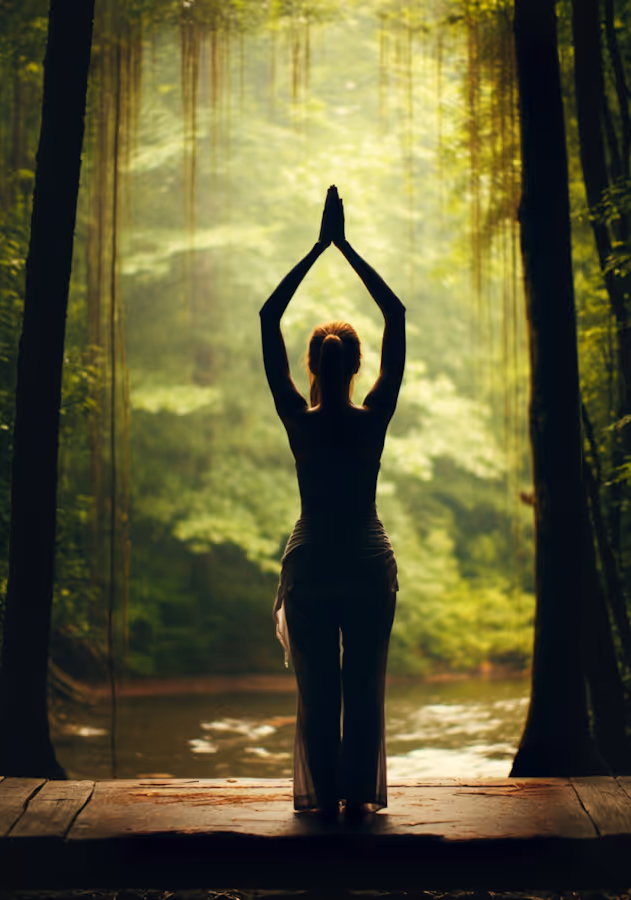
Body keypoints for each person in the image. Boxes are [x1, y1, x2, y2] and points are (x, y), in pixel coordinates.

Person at [259, 186, 406, 820]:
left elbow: (268, 317)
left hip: (313, 561)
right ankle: (356, 803)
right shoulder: (372, 419)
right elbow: (396, 315)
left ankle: (319, 809)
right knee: (363, 689)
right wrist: (347, 248)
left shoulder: (299, 420)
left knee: (318, 691)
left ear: (312, 366)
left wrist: (316, 247)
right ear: (357, 366)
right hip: (367, 563)